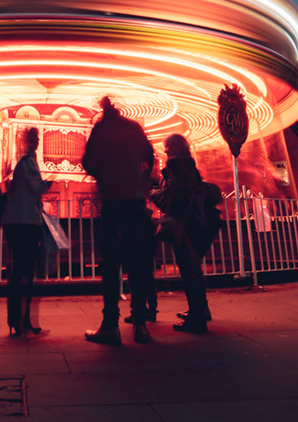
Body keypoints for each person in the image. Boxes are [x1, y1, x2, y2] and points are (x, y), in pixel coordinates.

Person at [81, 96, 155, 345]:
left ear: (103, 110)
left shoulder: (101, 128)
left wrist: (104, 173)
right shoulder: (134, 128)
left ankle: (110, 324)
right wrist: (140, 179)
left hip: (112, 199)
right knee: (136, 261)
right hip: (135, 200)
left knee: (111, 263)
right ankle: (140, 323)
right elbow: (149, 155)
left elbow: (89, 162)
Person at [150, 133, 211, 333]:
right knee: (193, 268)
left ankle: (196, 318)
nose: (165, 150)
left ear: (174, 147)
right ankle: (200, 309)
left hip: (185, 224)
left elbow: (172, 198)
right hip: (195, 221)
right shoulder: (188, 166)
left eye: (167, 146)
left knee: (188, 269)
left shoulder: (177, 167)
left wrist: (152, 193)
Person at [1, 127, 53, 337]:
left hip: (16, 222)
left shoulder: (22, 163)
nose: (37, 142)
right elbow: (38, 188)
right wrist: (52, 180)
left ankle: (19, 320)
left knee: (19, 272)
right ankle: (22, 320)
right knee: (25, 273)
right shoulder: (29, 163)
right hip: (25, 223)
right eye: (35, 139)